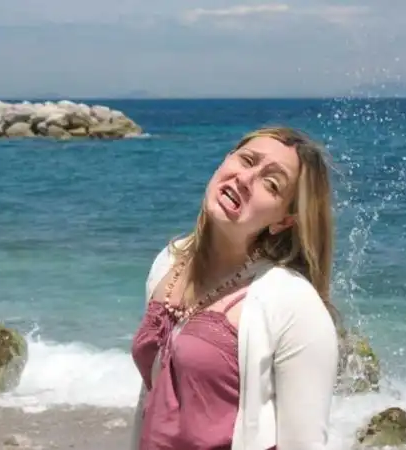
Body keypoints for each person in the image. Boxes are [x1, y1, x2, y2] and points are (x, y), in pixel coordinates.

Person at [130, 126, 339, 450]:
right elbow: (153, 398)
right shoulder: (169, 262)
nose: (245, 179)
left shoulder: (294, 305)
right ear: (226, 160)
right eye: (246, 160)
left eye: (271, 183)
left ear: (284, 220)